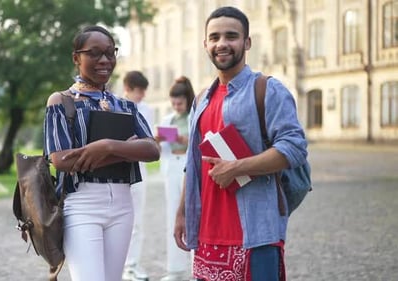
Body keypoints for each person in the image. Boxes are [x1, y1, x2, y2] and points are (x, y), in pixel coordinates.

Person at [174, 6, 308, 281]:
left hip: (255, 231)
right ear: (206, 44)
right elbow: (192, 164)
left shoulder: (268, 90)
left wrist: (235, 168)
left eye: (231, 36)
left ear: (247, 42)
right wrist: (182, 213)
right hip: (207, 234)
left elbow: (294, 147)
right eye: (214, 37)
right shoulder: (201, 100)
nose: (222, 43)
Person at [44, 25, 160, 281]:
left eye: (110, 52)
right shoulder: (62, 101)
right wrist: (129, 150)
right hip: (82, 204)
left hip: (122, 204)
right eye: (94, 53)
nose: (105, 60)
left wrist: (106, 146)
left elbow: (152, 150)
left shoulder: (125, 105)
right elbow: (62, 160)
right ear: (77, 58)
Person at [155, 76, 195, 281]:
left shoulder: (195, 117)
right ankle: (175, 269)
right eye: (173, 103)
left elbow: (201, 143)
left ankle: (198, 267)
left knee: (193, 215)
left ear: (187, 100)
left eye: (179, 103)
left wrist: (182, 139)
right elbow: (159, 146)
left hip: (190, 168)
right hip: (172, 167)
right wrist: (159, 138)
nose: (176, 106)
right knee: (173, 216)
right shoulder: (167, 120)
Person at [121, 70, 153, 281]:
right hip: (119, 172)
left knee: (138, 221)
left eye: (143, 91)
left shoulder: (146, 110)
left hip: (139, 171)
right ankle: (120, 265)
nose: (141, 95)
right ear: (128, 89)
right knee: (119, 220)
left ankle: (133, 264)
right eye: (138, 91)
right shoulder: (115, 106)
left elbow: (148, 138)